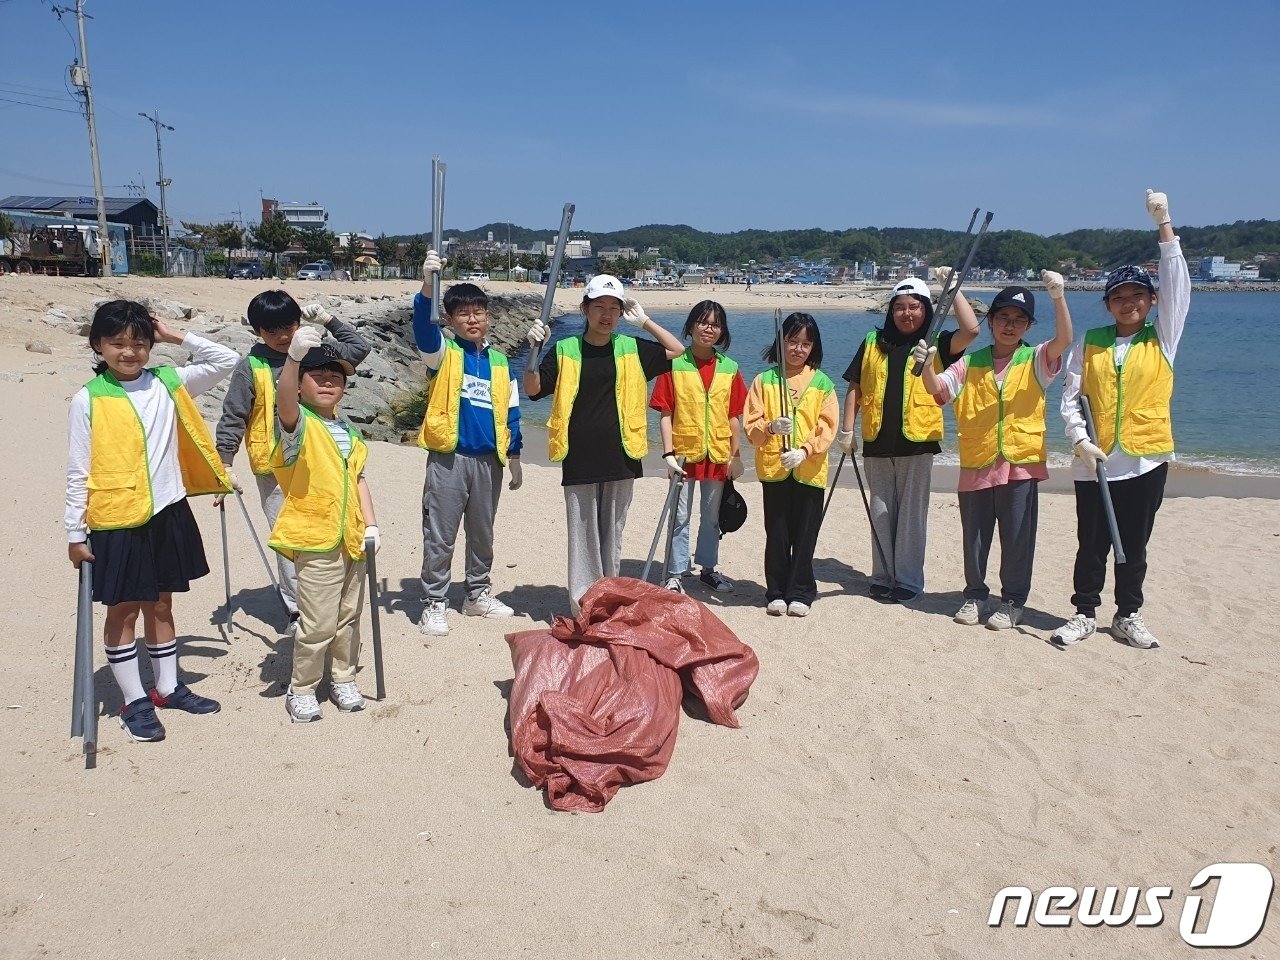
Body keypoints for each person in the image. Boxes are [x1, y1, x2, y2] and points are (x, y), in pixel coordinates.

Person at [65, 300, 237, 742]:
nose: (129, 352)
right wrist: (74, 532)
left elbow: (226, 359)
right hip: (117, 517)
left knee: (161, 603)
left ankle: (167, 687)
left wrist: (176, 335)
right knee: (122, 610)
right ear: (97, 345)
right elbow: (77, 471)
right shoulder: (89, 398)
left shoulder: (168, 381)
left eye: (138, 342)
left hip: (167, 511)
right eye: (118, 343)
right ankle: (134, 700)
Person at [1050, 190, 1189, 650]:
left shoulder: (1163, 337)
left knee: (1134, 544)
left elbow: (1178, 281)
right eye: (1119, 297)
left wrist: (1164, 225)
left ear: (1151, 301)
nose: (1128, 302)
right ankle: (1084, 612)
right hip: (1095, 461)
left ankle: (1128, 614)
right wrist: (1078, 440)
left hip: (1146, 458)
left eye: (1137, 296)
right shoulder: (1090, 342)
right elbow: (1072, 398)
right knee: (1091, 542)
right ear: (1108, 303)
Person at [918, 271, 1073, 629]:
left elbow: (1064, 338)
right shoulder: (971, 363)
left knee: (1017, 537)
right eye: (1003, 317)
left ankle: (1013, 601)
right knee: (974, 536)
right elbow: (937, 390)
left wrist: (1058, 296)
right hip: (977, 461)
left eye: (1019, 320)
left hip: (1020, 462)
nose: (1010, 325)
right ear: (991, 320)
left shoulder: (1036, 359)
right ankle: (974, 595)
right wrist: (927, 365)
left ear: (1028, 325)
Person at [524, 275, 685, 615]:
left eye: (615, 308)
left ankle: (608, 598)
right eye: (599, 307)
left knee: (613, 533)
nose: (607, 315)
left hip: (621, 454)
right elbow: (533, 389)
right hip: (579, 455)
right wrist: (533, 352)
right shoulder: (566, 349)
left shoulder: (631, 348)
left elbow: (677, 350)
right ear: (585, 309)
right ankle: (583, 603)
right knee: (583, 537)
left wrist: (644, 321)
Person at [214, 290, 370, 632]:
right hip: (273, 467)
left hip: (319, 462)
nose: (284, 336)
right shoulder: (251, 367)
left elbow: (359, 350)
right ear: (257, 332)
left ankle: (325, 600)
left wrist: (328, 320)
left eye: (290, 326)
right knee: (289, 539)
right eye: (273, 331)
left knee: (325, 532)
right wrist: (223, 464)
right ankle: (297, 610)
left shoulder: (313, 354)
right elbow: (233, 416)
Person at [837, 276, 980, 601]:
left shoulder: (937, 343)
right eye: (899, 307)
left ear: (926, 309)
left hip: (917, 443)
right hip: (877, 442)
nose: (907, 313)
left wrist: (955, 289)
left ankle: (908, 581)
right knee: (881, 512)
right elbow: (855, 387)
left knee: (912, 516)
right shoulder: (873, 340)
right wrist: (847, 430)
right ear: (891, 311)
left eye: (914, 307)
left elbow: (971, 331)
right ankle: (882, 575)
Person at [268, 327, 379, 722]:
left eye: (337, 376)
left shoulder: (350, 432)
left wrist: (371, 525)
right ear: (299, 386)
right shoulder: (298, 425)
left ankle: (344, 678)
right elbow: (283, 403)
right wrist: (293, 359)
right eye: (318, 375)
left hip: (351, 538)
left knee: (349, 616)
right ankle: (302, 687)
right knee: (317, 620)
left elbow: (359, 479)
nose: (329, 381)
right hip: (315, 538)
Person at [411, 251, 523, 637]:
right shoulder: (443, 353)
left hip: (489, 461)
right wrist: (428, 284)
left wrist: (516, 455)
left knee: (483, 533)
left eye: (479, 312)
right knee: (440, 534)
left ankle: (476, 595)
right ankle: (434, 602)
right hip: (449, 458)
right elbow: (423, 332)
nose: (473, 319)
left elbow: (511, 410)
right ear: (450, 320)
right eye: (464, 314)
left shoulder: (500, 361)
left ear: (488, 316)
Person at [648, 300, 748, 593]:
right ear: (691, 326)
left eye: (715, 324)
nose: (708, 329)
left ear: (722, 331)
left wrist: (736, 456)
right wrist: (667, 453)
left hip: (717, 453)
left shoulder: (730, 367)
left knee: (711, 517)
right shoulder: (674, 362)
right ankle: (676, 573)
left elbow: (733, 416)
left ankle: (708, 568)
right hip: (682, 453)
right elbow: (665, 413)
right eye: (703, 322)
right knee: (679, 516)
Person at [743, 312, 838, 617]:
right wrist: (770, 427)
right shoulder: (764, 380)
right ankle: (776, 590)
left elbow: (828, 426)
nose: (798, 348)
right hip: (775, 468)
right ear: (781, 341)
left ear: (814, 347)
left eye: (805, 343)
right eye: (792, 341)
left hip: (809, 469)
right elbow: (751, 426)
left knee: (805, 534)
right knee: (778, 532)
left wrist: (806, 449)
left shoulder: (822, 383)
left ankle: (801, 590)